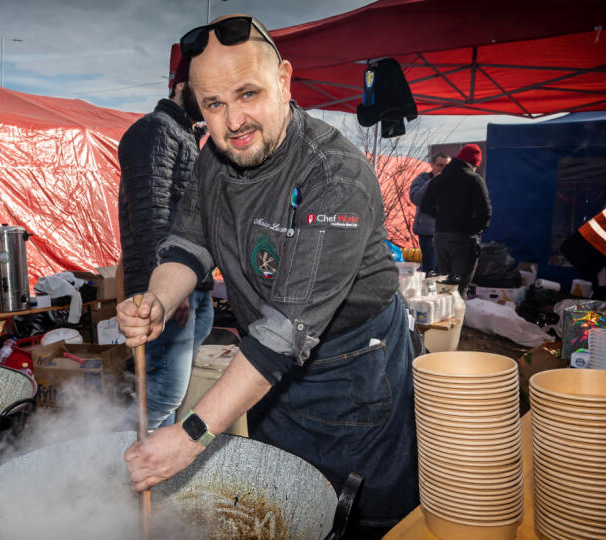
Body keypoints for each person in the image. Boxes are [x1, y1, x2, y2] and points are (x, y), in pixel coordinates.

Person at [118, 15, 418, 536]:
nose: (234, 121)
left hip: (351, 378)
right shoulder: (215, 158)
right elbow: (189, 243)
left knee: (358, 521)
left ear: (284, 78)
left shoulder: (334, 175)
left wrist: (189, 436)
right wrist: (159, 302)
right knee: (282, 511)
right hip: (267, 378)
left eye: (248, 93)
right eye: (214, 104)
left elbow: (286, 331)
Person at [117, 56, 214, 429]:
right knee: (162, 393)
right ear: (179, 85)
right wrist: (170, 289)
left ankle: (153, 476)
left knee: (172, 396)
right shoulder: (154, 131)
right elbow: (151, 214)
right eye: (202, 88)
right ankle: (110, 468)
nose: (208, 97)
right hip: (165, 290)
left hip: (193, 287)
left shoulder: (186, 135)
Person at [420, 144, 491, 294]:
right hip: (464, 240)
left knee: (445, 288)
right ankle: (456, 317)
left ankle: (444, 315)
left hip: (440, 238)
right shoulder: (474, 180)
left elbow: (425, 206)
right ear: (474, 164)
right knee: (459, 289)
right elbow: (485, 213)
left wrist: (443, 217)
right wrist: (473, 230)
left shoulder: (438, 180)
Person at [409, 153, 450, 273]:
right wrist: (432, 182)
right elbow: (415, 198)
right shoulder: (423, 179)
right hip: (428, 232)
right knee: (430, 269)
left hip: (447, 233)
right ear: (432, 165)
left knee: (444, 271)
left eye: (446, 166)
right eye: (440, 165)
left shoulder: (453, 182)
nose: (443, 169)